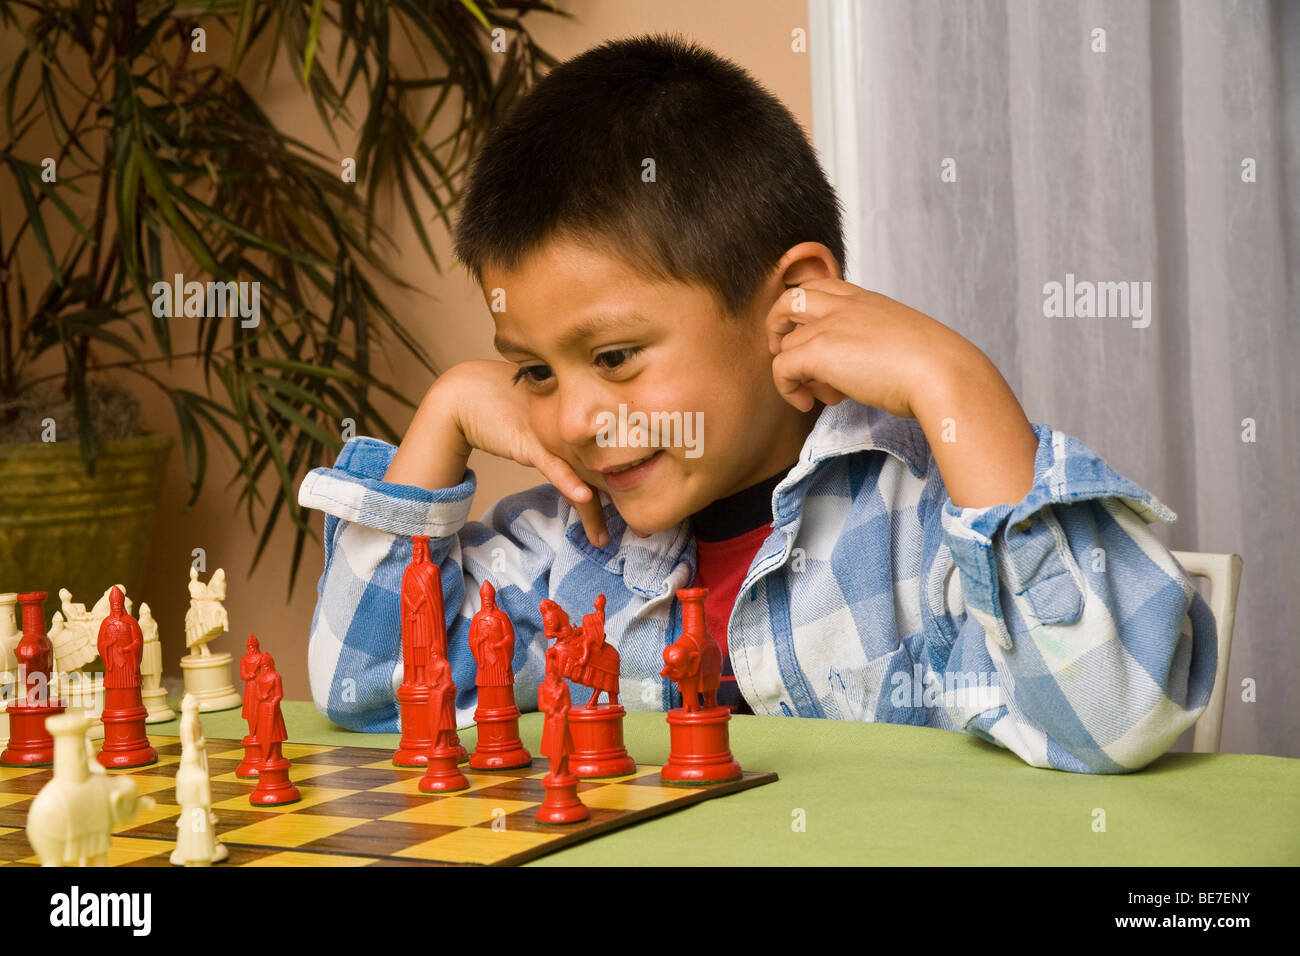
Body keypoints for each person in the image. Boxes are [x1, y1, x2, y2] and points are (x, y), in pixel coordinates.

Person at [298, 34, 1216, 774]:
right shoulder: (563, 548)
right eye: (533, 372)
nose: (573, 419)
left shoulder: (928, 524)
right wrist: (447, 413)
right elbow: (372, 692)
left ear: (794, 308)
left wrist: (956, 386)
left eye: (614, 356)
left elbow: (1113, 715)